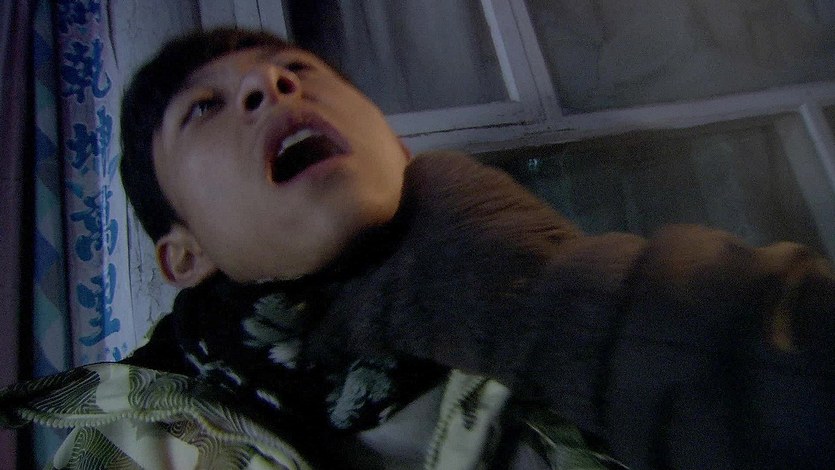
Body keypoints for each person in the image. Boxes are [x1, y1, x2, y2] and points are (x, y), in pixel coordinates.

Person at [2, 27, 834, 469]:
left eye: (297, 69)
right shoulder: (138, 451)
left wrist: (555, 300)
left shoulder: (537, 320)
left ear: (393, 145)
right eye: (203, 108)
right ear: (183, 256)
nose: (271, 83)